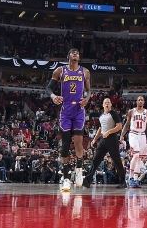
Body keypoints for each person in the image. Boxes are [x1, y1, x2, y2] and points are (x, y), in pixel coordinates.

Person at [46, 48, 91, 191]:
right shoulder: (60, 71)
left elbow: (89, 91)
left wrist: (87, 99)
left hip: (79, 111)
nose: (75, 54)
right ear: (68, 56)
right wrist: (53, 96)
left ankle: (79, 171)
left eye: (77, 53)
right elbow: (48, 88)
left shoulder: (85, 72)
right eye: (73, 52)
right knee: (65, 145)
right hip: (65, 111)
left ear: (79, 57)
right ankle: (66, 178)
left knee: (78, 143)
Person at [85, 97, 125, 186]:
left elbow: (119, 126)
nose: (107, 104)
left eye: (108, 102)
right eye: (105, 102)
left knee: (116, 161)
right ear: (103, 105)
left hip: (112, 139)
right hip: (103, 140)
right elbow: (100, 128)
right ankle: (87, 180)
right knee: (96, 160)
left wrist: (109, 132)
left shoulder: (114, 114)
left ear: (111, 104)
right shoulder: (101, 115)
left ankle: (123, 181)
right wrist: (95, 139)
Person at [120, 96, 147, 188]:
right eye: (139, 100)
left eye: (142, 100)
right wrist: (122, 135)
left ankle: (135, 179)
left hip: (142, 135)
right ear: (136, 102)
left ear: (144, 102)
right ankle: (130, 177)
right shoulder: (131, 111)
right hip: (133, 134)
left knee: (139, 158)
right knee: (136, 155)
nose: (140, 101)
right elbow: (127, 124)